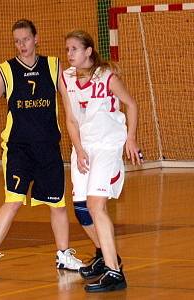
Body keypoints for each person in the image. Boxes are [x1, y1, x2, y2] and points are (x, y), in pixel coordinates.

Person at [0, 19, 84, 280]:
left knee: (57, 205)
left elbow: (70, 106)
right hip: (18, 149)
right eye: (17, 41)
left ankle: (63, 255)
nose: (21, 45)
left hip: (48, 147)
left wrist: (80, 142)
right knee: (12, 201)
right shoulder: (7, 70)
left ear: (37, 39)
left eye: (25, 39)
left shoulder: (54, 66)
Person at [61, 29, 143, 292]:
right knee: (81, 208)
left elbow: (131, 104)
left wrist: (130, 138)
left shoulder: (107, 77)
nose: (69, 53)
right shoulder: (66, 79)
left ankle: (114, 272)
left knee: (96, 204)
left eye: (74, 48)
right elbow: (70, 119)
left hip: (108, 146)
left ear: (88, 51)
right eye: (67, 49)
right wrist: (78, 148)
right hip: (83, 148)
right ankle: (107, 256)